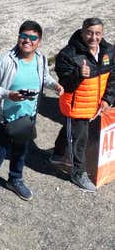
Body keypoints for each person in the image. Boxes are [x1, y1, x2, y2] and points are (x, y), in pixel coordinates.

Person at [0, 20, 63, 209]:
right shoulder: (5, 60)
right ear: (18, 37)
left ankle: (15, 180)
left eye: (33, 38)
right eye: (24, 36)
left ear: (39, 41)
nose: (27, 41)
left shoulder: (41, 58)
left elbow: (44, 77)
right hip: (3, 119)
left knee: (21, 153)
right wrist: (9, 95)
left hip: (27, 116)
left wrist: (54, 85)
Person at [50, 17, 115, 192]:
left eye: (98, 33)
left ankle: (57, 155)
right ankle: (78, 173)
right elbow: (65, 85)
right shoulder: (68, 54)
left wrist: (108, 99)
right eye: (89, 33)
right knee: (80, 139)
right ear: (82, 31)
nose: (94, 37)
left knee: (71, 130)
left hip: (94, 104)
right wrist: (78, 73)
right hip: (75, 105)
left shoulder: (109, 51)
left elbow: (112, 79)